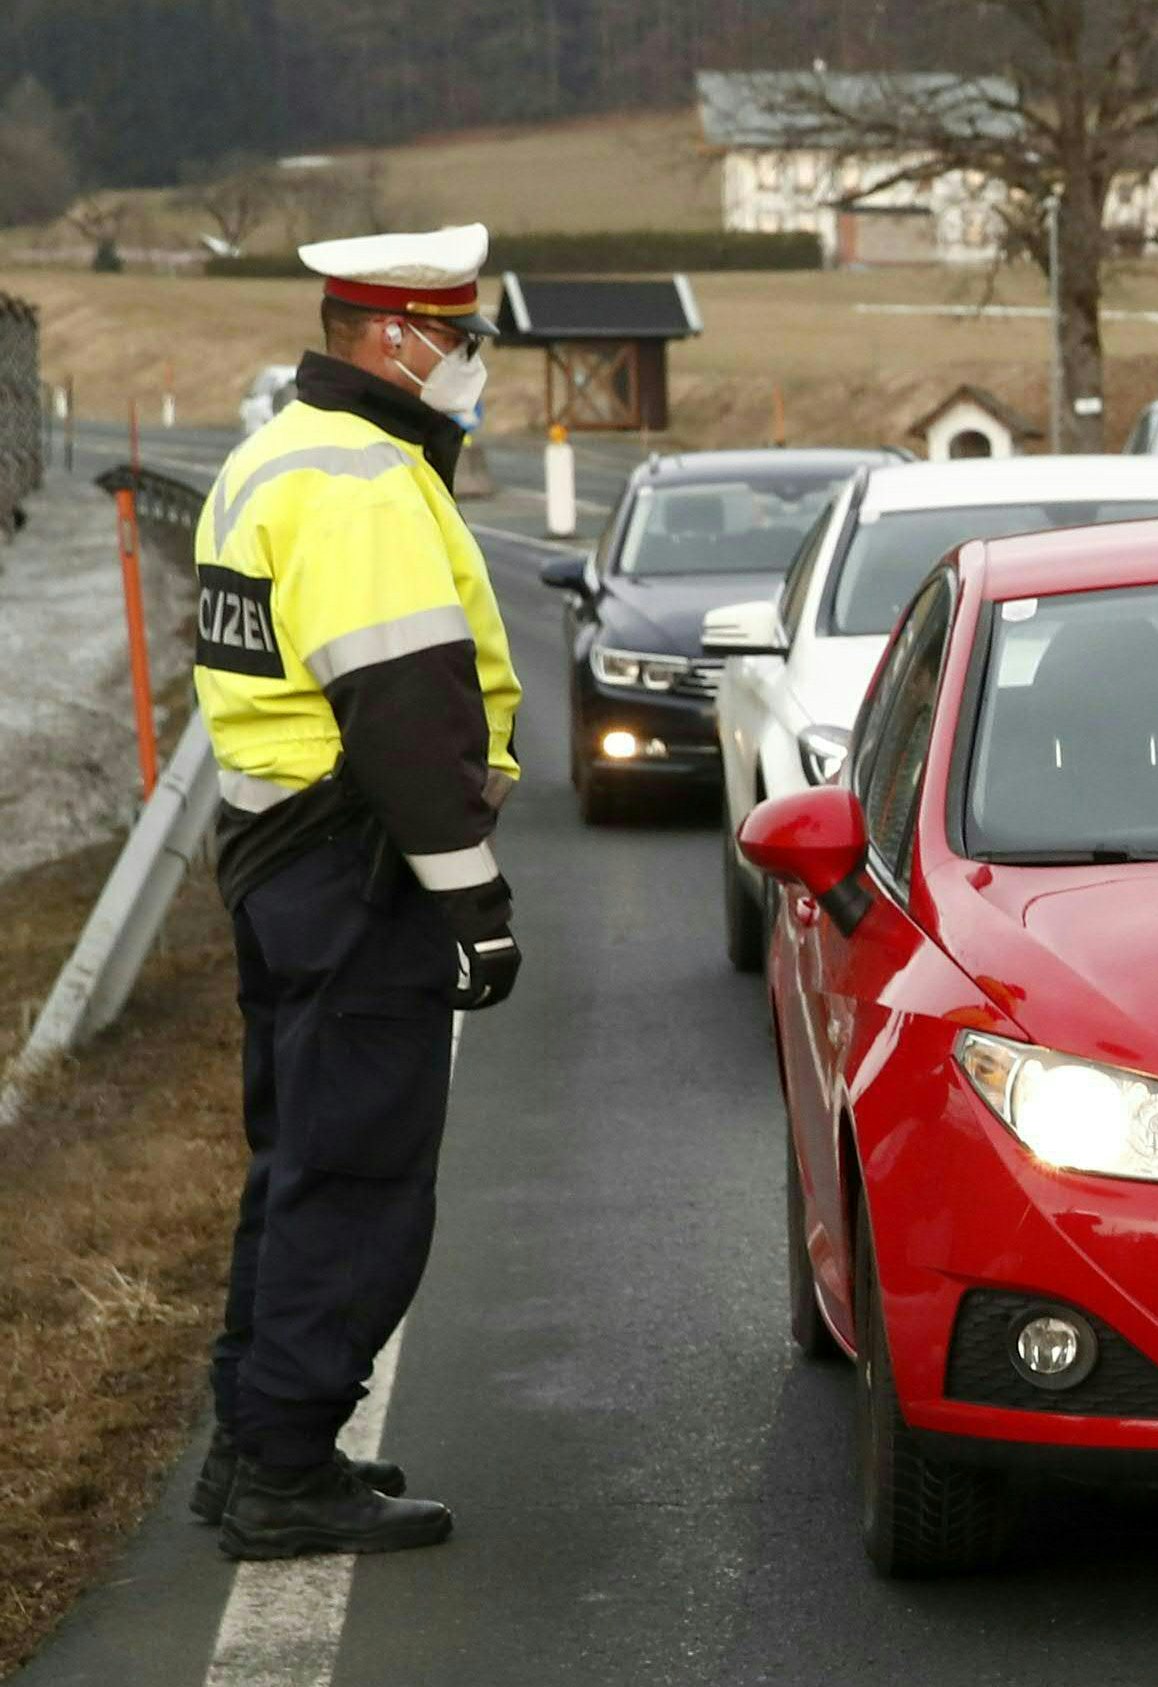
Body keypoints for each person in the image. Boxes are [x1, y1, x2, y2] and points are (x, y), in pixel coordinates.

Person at [190, 222, 522, 1559]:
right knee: (359, 1174)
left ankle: (252, 1440)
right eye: (462, 337)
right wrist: (474, 900)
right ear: (394, 336)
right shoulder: (364, 481)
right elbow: (401, 707)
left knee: (298, 1163)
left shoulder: (271, 453)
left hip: (278, 855)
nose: (472, 362)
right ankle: (283, 1469)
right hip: (355, 861)